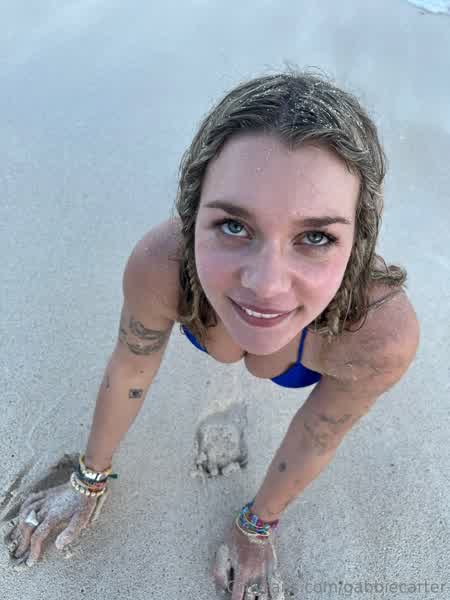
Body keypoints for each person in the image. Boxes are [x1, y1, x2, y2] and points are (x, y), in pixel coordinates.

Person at [7, 68, 419, 599]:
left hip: (306, 335)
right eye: (233, 225)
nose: (266, 285)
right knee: (226, 342)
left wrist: (257, 526)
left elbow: (319, 430)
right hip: (211, 314)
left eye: (316, 236)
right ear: (193, 212)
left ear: (359, 236)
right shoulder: (163, 265)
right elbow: (131, 366)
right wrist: (87, 480)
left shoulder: (377, 334)